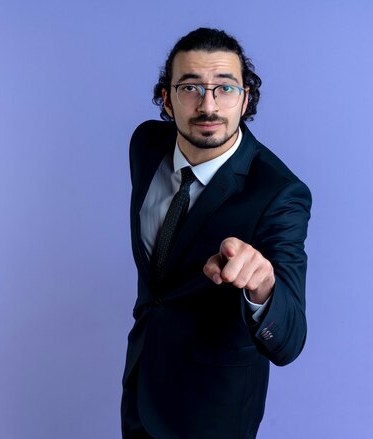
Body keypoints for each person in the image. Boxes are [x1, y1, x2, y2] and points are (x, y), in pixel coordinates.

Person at [121, 27, 312, 439]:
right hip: (140, 390)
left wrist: (263, 287)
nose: (208, 105)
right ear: (167, 100)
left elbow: (290, 338)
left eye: (225, 88)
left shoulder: (279, 193)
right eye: (190, 87)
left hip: (213, 414)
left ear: (245, 98)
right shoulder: (146, 146)